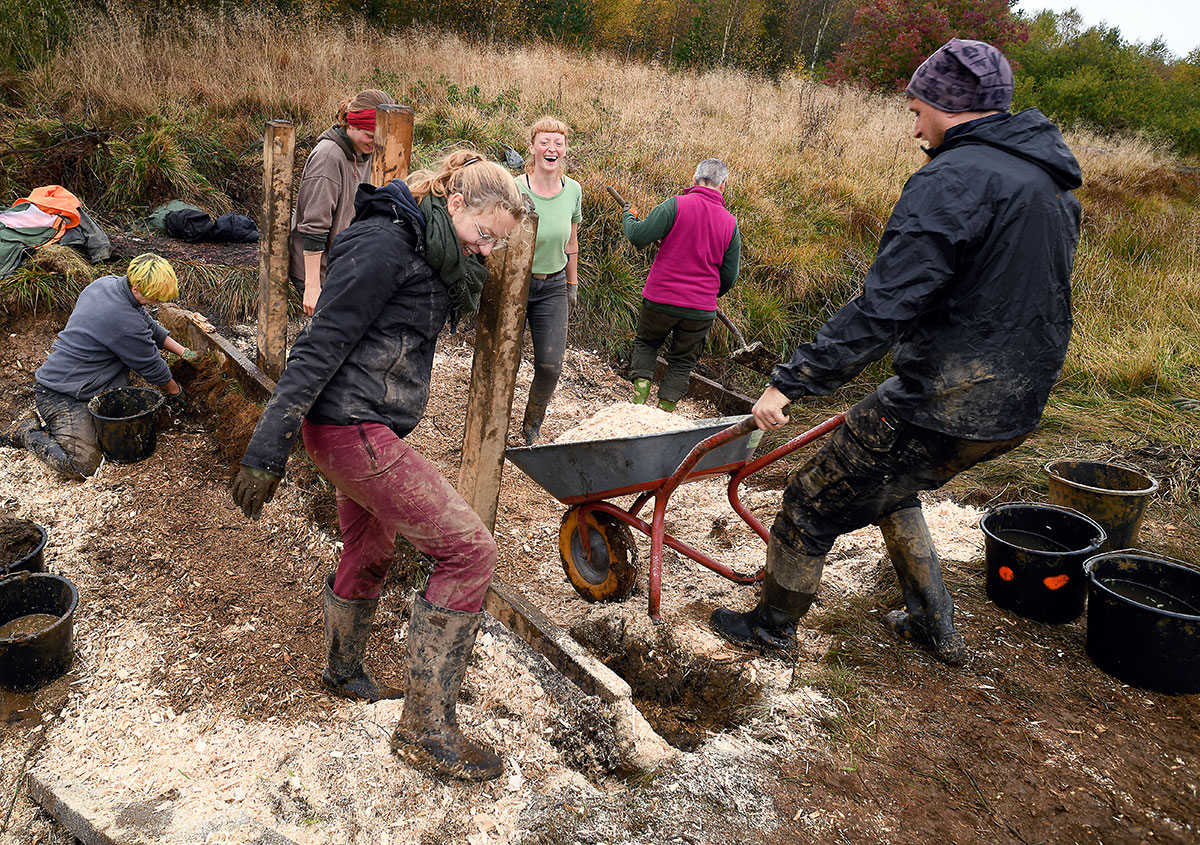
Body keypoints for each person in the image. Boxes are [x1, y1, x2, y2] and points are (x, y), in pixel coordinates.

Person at [709, 39, 1082, 665]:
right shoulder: (1051, 185)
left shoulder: (954, 180)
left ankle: (772, 627)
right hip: (1015, 403)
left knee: (810, 501)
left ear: (950, 106)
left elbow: (883, 308)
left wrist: (792, 380)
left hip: (944, 400)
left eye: (917, 111)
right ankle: (933, 621)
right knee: (888, 482)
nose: (915, 128)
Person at [231, 150, 528, 782]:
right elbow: (319, 343)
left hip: (361, 426)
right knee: (470, 551)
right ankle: (426, 732)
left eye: (498, 244)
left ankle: (342, 671)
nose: (487, 253)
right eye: (485, 236)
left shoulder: (427, 251)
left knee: (369, 551)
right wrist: (266, 448)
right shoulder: (385, 246)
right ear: (455, 205)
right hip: (351, 429)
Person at [0, 253, 192, 478]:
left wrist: (185, 353)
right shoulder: (121, 318)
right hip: (63, 395)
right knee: (84, 464)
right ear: (137, 288)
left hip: (87, 383)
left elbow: (148, 325)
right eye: (155, 299)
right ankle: (26, 433)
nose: (158, 304)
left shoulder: (107, 284)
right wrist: (174, 390)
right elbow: (150, 364)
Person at [621, 159, 741, 411]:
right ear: (723, 185)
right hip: (700, 309)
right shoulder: (730, 223)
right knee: (681, 363)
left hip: (660, 299)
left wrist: (628, 216)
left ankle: (638, 402)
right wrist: (707, 293)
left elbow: (638, 236)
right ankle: (664, 413)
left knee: (647, 344)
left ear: (694, 178)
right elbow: (729, 276)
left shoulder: (674, 206)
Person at [290, 89, 395, 316]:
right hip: (319, 271)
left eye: (379, 137)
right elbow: (314, 228)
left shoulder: (370, 154)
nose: (375, 142)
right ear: (353, 124)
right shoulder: (328, 157)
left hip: (347, 268)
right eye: (370, 134)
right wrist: (312, 287)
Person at [514, 117, 583, 443]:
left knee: (550, 364)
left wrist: (571, 285)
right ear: (532, 147)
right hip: (514, 285)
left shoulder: (573, 191)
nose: (551, 148)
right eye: (544, 142)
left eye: (557, 142)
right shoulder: (515, 187)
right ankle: (491, 421)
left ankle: (532, 424)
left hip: (552, 286)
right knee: (504, 360)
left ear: (565, 149)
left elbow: (571, 243)